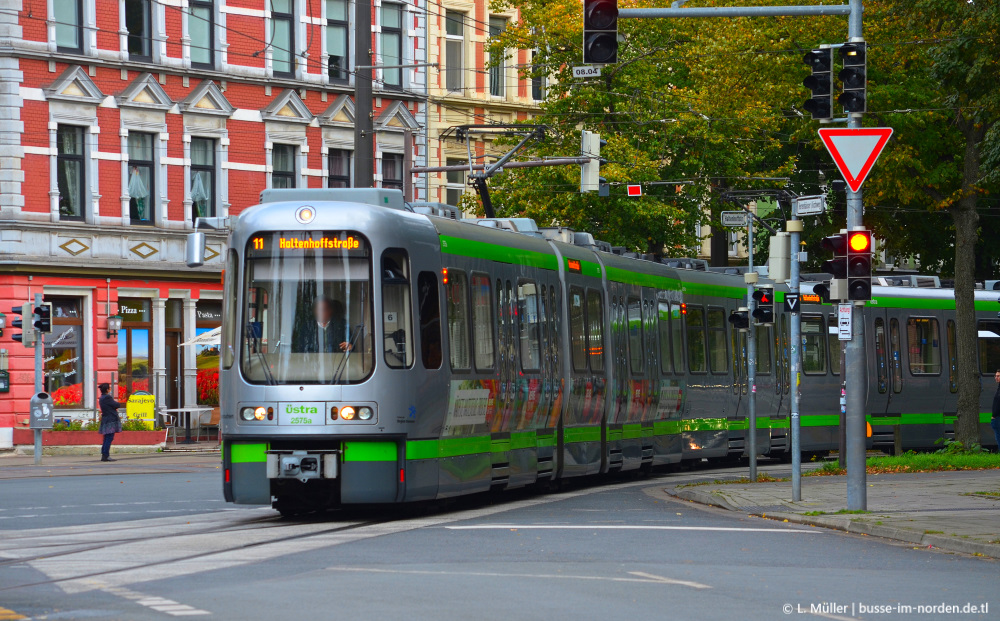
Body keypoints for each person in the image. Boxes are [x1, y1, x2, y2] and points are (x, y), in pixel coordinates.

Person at [98, 383, 123, 462]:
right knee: (109, 437)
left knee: (106, 437)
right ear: (107, 389)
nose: (110, 389)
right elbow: (117, 404)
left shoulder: (102, 397)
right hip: (110, 419)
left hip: (106, 418)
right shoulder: (107, 397)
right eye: (110, 388)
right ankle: (106, 455)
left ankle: (104, 454)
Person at [992, 370, 1000, 452]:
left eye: (998, 376)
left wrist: (994, 416)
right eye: (996, 376)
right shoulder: (998, 388)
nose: (996, 378)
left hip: (998, 418)